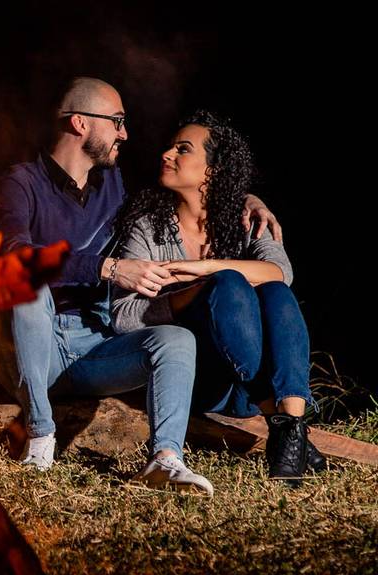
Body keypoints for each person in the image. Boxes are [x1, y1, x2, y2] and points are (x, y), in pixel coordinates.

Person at [0, 78, 278, 494]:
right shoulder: (21, 183)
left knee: (175, 339)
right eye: (117, 121)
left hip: (93, 347)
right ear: (80, 123)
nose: (125, 133)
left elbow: (194, 179)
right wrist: (108, 268)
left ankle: (165, 460)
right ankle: (39, 437)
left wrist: (249, 199)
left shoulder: (115, 184)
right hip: (31, 343)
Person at [111, 110, 321, 486]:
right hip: (197, 381)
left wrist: (205, 269)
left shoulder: (245, 219)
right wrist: (193, 294)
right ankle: (287, 425)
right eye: (170, 146)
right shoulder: (147, 229)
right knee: (229, 286)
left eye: (183, 149)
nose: (166, 154)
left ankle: (289, 422)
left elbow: (280, 273)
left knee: (271, 290)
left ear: (213, 170)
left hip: (243, 390)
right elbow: (123, 317)